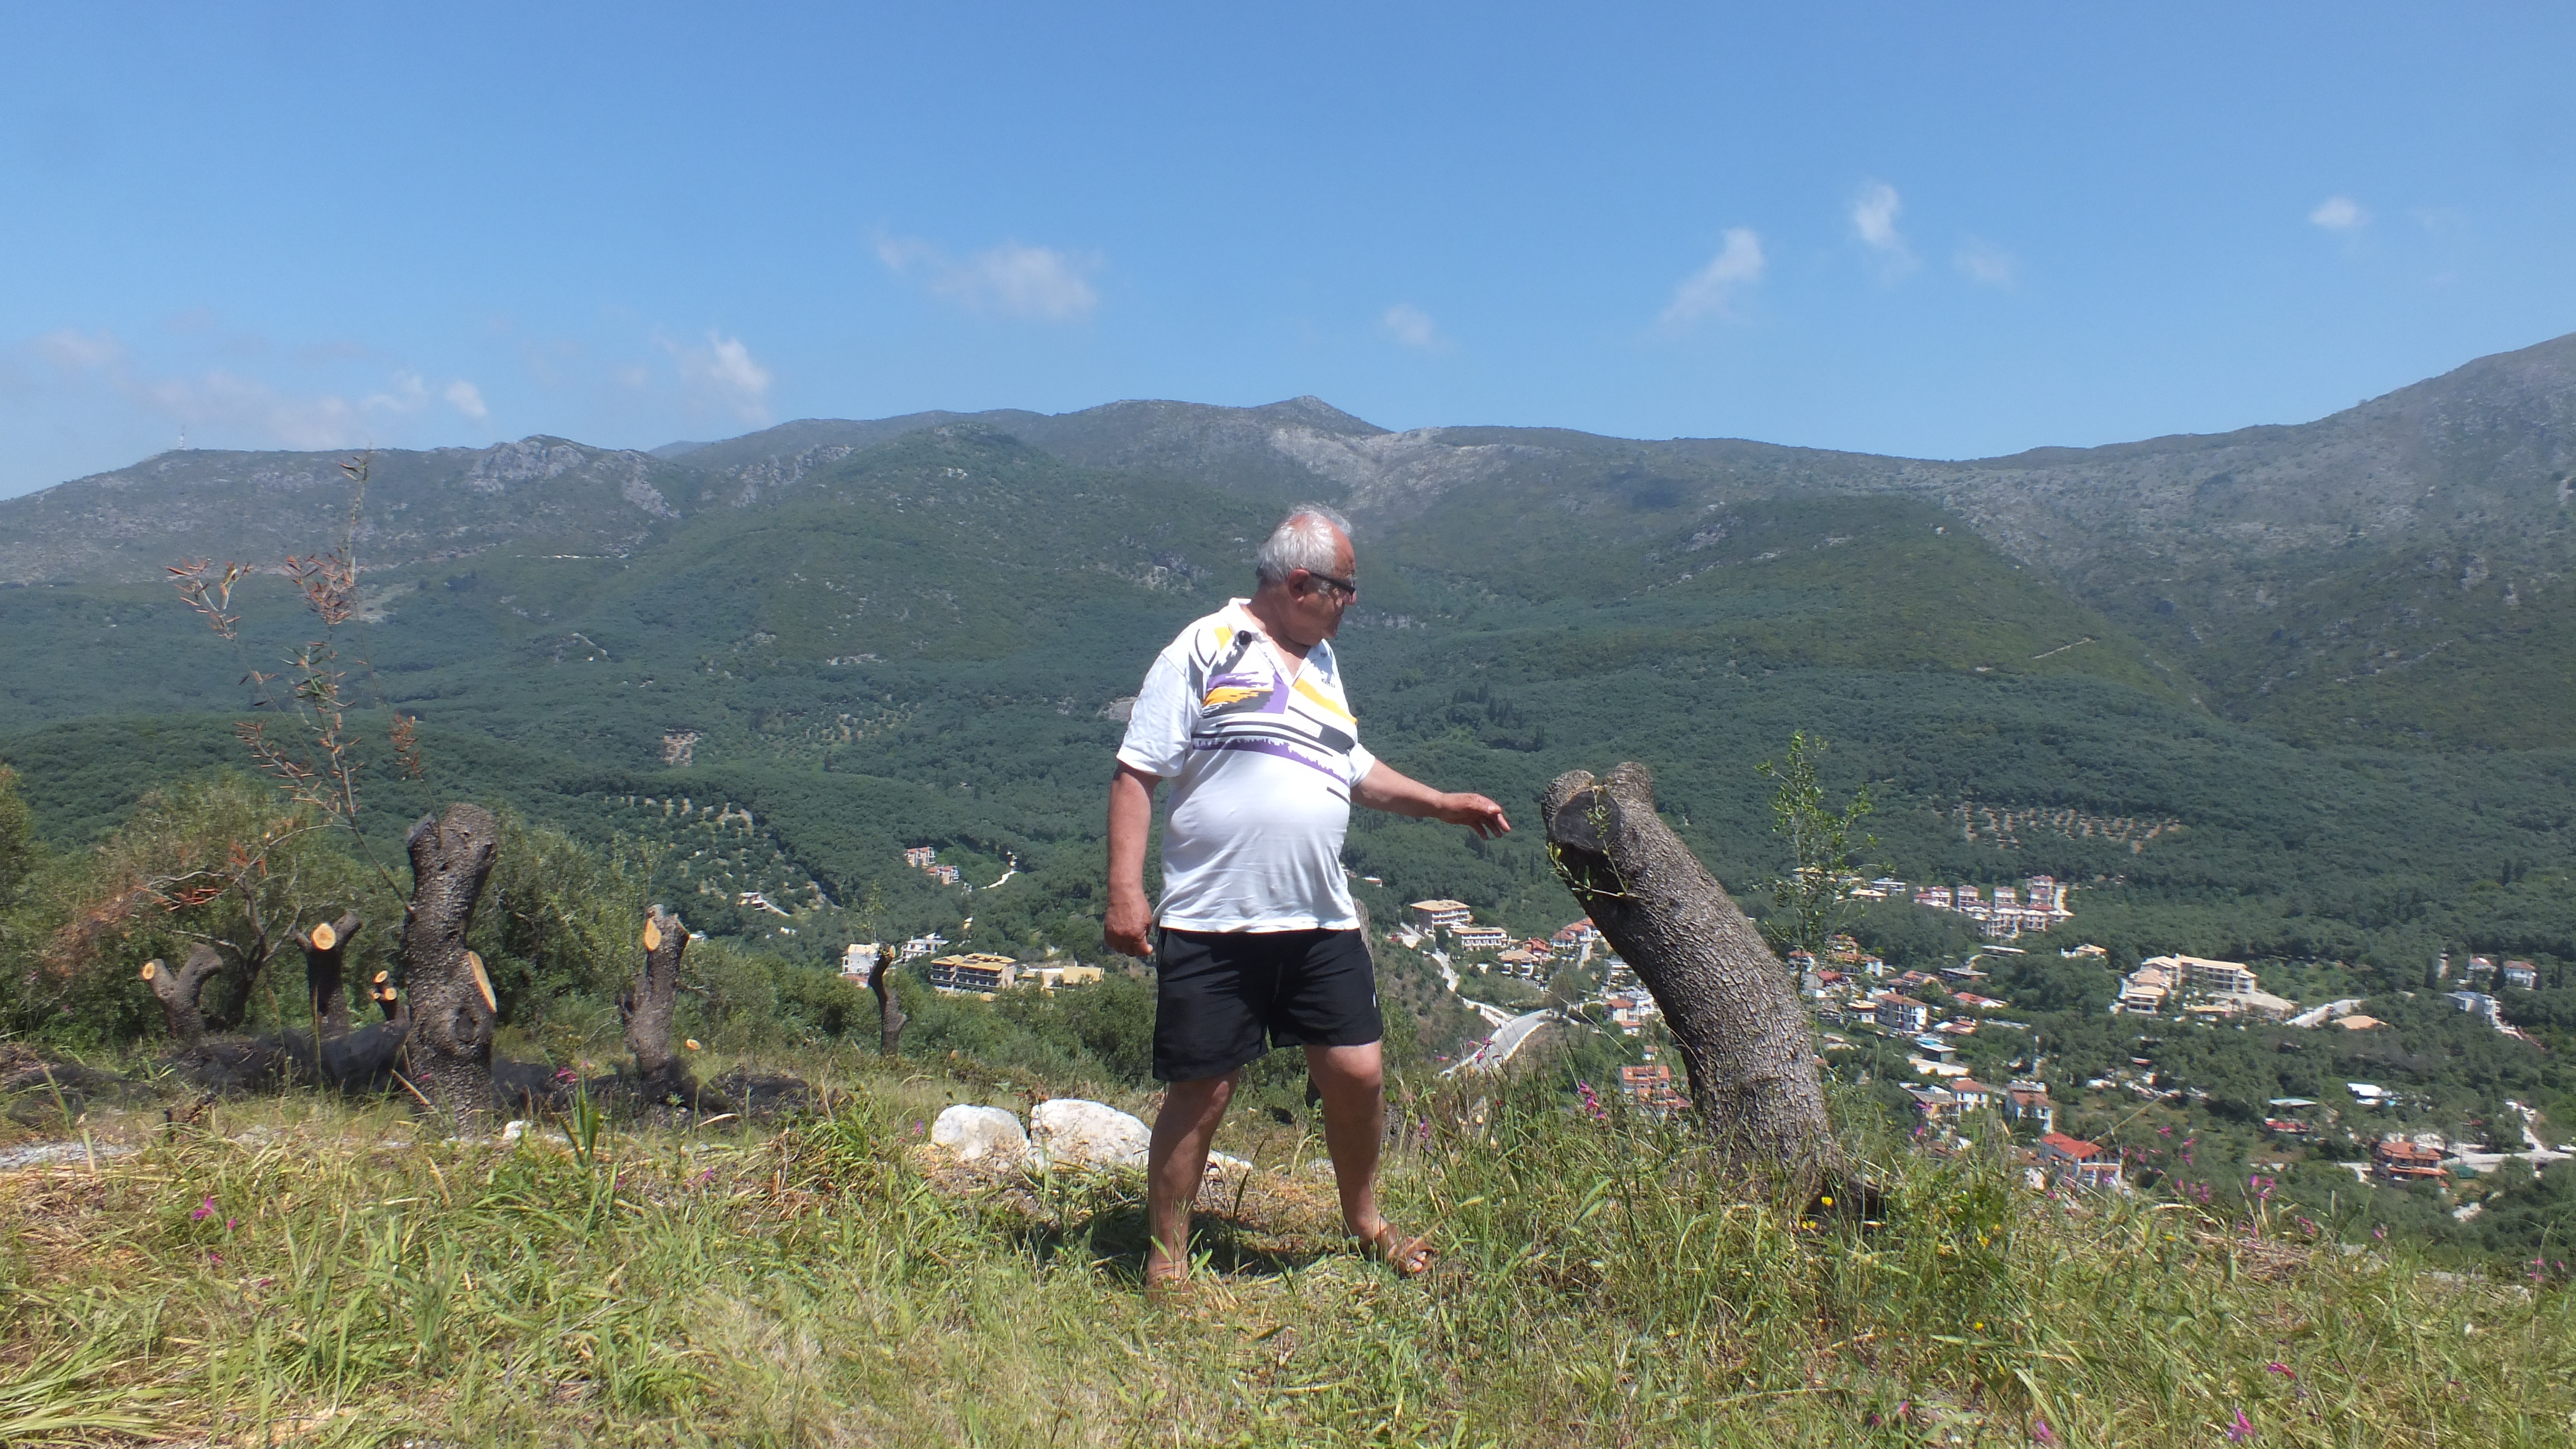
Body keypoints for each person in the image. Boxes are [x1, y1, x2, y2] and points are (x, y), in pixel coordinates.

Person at [1104, 503, 1510, 1292]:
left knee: (1358, 1074)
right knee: (1204, 1090)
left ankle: (1365, 1223)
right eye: (1344, 589)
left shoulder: (1323, 663)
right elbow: (1137, 771)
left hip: (1321, 917)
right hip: (1216, 919)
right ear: (1299, 584)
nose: (1352, 603)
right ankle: (1166, 1262)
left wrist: (1441, 804)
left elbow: (1351, 768)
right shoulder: (1204, 646)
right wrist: (1125, 890)